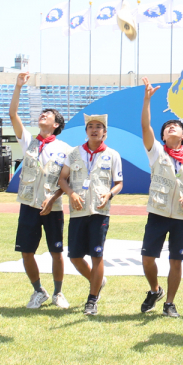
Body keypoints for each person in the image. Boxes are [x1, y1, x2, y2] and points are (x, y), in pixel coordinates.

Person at [138, 79, 183, 317]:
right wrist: (147, 100)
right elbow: (146, 128)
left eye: (176, 126)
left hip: (181, 217)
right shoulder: (156, 152)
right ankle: (155, 290)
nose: (171, 128)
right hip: (158, 212)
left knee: (176, 261)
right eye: (167, 127)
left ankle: (170, 303)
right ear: (163, 136)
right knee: (147, 259)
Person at [9, 72, 71, 310]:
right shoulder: (29, 142)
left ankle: (58, 293)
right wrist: (18, 87)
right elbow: (13, 114)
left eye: (49, 115)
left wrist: (52, 199)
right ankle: (38, 291)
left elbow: (68, 182)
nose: (43, 114)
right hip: (28, 205)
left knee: (56, 252)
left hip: (52, 208)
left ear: (56, 125)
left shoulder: (65, 149)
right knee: (26, 252)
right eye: (42, 112)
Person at [57, 111, 123, 316]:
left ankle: (92, 299)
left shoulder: (113, 155)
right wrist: (71, 193)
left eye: (98, 127)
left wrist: (110, 194)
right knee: (75, 257)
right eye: (90, 127)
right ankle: (97, 281)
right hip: (78, 212)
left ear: (105, 132)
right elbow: (62, 179)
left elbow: (119, 183)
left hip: (100, 211)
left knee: (97, 255)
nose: (94, 130)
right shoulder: (74, 153)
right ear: (86, 131)